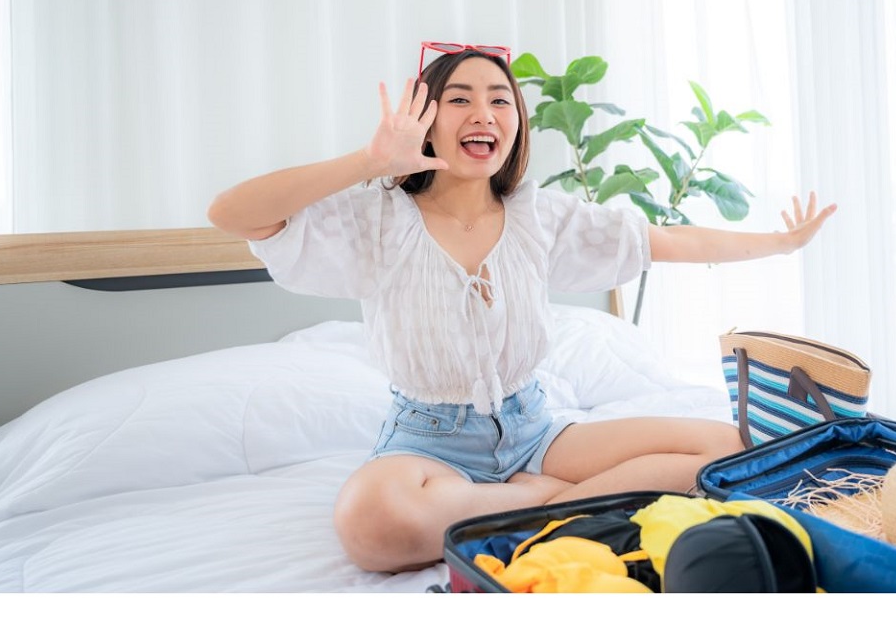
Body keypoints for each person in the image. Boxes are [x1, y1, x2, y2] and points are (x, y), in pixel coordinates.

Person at [207, 44, 837, 573]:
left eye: (499, 99)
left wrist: (781, 244)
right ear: (424, 118)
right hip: (428, 444)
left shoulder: (540, 216)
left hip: (536, 430)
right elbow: (231, 214)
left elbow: (665, 241)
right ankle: (559, 503)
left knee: (730, 448)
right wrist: (370, 163)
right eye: (460, 99)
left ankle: (527, 500)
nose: (483, 112)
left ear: (516, 124)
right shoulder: (377, 221)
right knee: (372, 526)